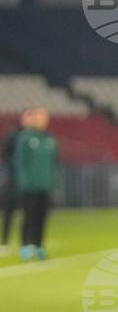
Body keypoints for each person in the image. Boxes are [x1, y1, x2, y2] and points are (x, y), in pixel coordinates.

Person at [12, 108, 59, 261]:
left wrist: (54, 183)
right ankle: (26, 246)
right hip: (29, 186)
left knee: (42, 218)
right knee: (29, 217)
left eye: (44, 117)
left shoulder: (50, 139)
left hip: (45, 186)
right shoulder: (25, 138)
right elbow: (20, 162)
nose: (42, 120)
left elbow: (55, 163)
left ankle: (39, 246)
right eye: (39, 117)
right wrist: (23, 182)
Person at [0, 114, 24, 256]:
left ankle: (27, 243)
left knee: (29, 213)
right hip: (12, 179)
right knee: (9, 211)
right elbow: (4, 153)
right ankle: (4, 241)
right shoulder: (12, 135)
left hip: (28, 182)